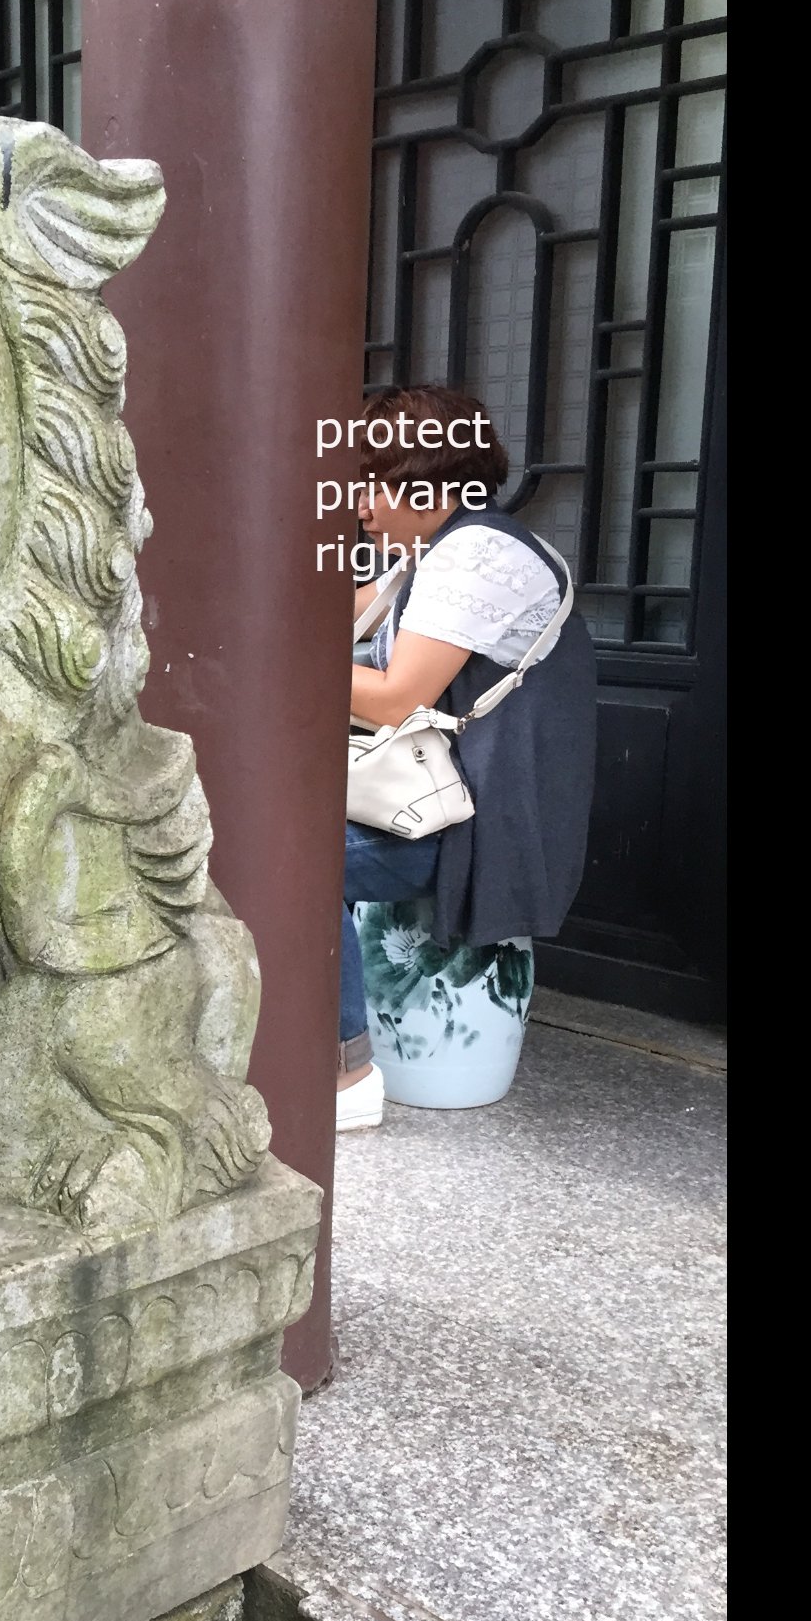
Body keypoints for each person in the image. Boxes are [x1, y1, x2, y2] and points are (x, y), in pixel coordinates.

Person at [337, 384, 597, 1130]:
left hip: (480, 824)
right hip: (446, 804)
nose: (356, 502)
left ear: (420, 480)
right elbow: (335, 611)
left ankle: (342, 1072)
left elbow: (392, 697)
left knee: (298, 855)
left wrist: (288, 659)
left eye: (366, 480)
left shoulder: (476, 554)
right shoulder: (427, 554)